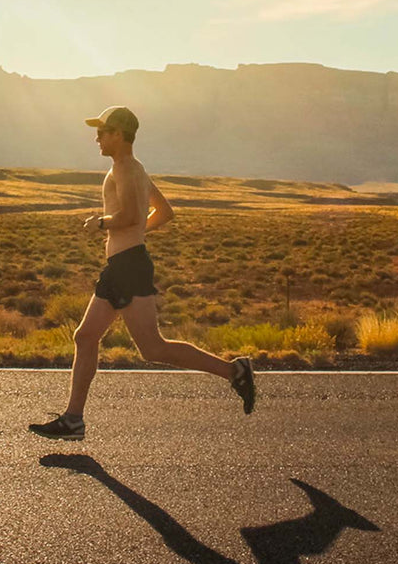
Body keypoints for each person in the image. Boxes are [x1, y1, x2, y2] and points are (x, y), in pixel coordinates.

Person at [28, 106, 255, 441]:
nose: (97, 138)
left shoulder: (126, 169)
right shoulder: (135, 169)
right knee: (86, 336)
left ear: (118, 134)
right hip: (123, 264)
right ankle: (73, 419)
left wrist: (102, 223)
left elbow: (132, 214)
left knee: (152, 348)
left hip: (130, 267)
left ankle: (234, 371)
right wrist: (136, 235)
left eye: (102, 132)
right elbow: (163, 212)